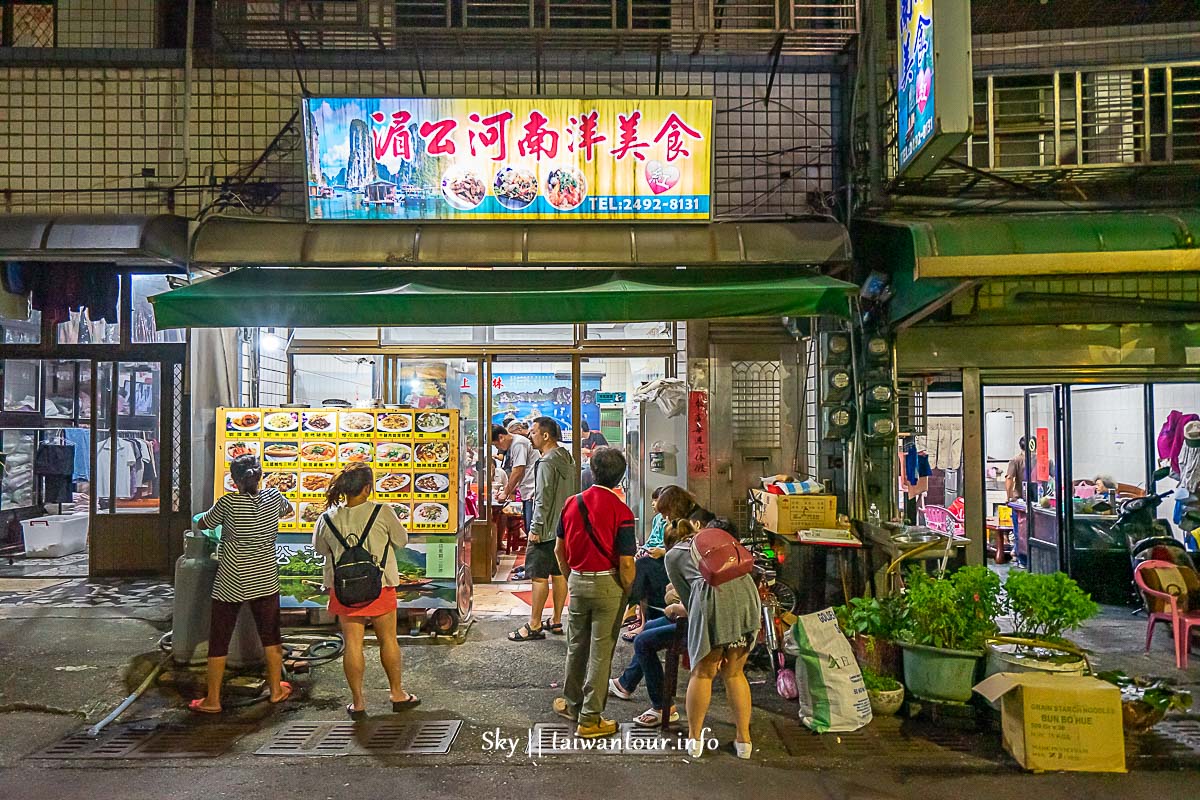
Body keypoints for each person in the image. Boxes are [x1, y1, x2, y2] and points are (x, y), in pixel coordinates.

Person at [312, 463, 419, 720]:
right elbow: (401, 541)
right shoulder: (383, 512)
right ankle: (397, 694)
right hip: (379, 585)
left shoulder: (327, 518)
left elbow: (319, 549)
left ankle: (358, 702)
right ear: (368, 488)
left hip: (345, 588)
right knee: (388, 640)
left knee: (353, 644)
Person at [189, 454, 292, 714]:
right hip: (266, 577)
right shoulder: (274, 498)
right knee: (271, 636)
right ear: (261, 476)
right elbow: (288, 510)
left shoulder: (227, 503)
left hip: (231, 580)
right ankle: (276, 690)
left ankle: (213, 699)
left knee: (220, 638)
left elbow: (203, 523)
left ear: (235, 481)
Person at [552, 446, 637, 739]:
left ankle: (571, 704)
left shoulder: (571, 504)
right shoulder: (622, 511)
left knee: (576, 645)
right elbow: (626, 563)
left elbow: (558, 550)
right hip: (608, 585)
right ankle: (589, 719)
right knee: (601, 652)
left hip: (577, 581)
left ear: (592, 470)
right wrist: (629, 593)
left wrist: (572, 576)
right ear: (620, 477)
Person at [664, 512, 762, 760]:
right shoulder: (716, 540)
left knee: (703, 673)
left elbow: (689, 600)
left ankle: (695, 740)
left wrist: (675, 609)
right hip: (746, 596)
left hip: (712, 602)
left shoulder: (673, 556)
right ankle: (744, 742)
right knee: (735, 673)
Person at [509, 416, 575, 641]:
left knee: (538, 576)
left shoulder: (546, 462)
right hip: (563, 526)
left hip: (546, 528)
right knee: (558, 574)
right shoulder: (566, 456)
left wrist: (535, 528)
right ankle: (556, 620)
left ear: (546, 435)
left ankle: (534, 624)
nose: (531, 436)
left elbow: (543, 498)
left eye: (534, 432)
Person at [608, 581, 686, 727]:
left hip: (699, 624)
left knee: (642, 642)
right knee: (649, 627)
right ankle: (625, 683)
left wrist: (675, 606)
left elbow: (703, 606)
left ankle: (663, 706)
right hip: (687, 615)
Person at [491, 423, 537, 532]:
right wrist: (505, 490)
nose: (497, 448)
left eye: (496, 445)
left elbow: (518, 470)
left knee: (532, 530)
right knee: (529, 529)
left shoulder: (518, 443)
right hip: (527, 492)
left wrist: (505, 493)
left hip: (532, 491)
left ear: (501, 437)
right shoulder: (514, 445)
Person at [1005, 437, 1027, 502]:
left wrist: (1008, 497)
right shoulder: (1043, 460)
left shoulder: (1015, 460)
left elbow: (1009, 478)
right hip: (1040, 500)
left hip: (1020, 499)